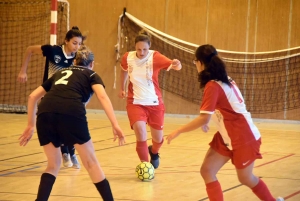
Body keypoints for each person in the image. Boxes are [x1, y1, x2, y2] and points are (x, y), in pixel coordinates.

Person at [166, 44, 284, 201]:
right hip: (227, 134)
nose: (195, 65)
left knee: (246, 178)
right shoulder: (221, 79)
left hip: (243, 137)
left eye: (195, 62)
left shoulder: (213, 85)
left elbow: (204, 117)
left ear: (200, 62)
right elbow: (223, 107)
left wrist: (179, 130)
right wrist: (209, 119)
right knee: (207, 170)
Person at [18, 46, 125, 201]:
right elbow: (102, 97)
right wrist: (115, 124)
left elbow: (32, 96)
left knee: (53, 165)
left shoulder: (59, 73)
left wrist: (30, 125)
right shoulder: (91, 74)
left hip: (45, 112)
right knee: (91, 163)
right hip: (71, 110)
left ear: (74, 61)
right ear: (92, 64)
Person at [17, 26, 84, 169]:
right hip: (49, 96)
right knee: (54, 126)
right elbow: (29, 49)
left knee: (70, 123)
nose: (77, 47)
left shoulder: (76, 58)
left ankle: (70, 152)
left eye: (79, 44)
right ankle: (65, 152)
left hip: (66, 98)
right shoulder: (53, 51)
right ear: (66, 41)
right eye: (74, 43)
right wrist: (23, 70)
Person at [118, 30, 182, 169]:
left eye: (145, 49)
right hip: (135, 102)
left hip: (154, 103)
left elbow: (176, 66)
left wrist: (177, 63)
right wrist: (122, 88)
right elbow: (123, 70)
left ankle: (154, 152)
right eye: (138, 49)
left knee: (158, 139)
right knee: (140, 133)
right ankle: (145, 166)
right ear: (135, 47)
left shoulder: (155, 57)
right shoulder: (127, 57)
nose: (141, 53)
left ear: (150, 47)